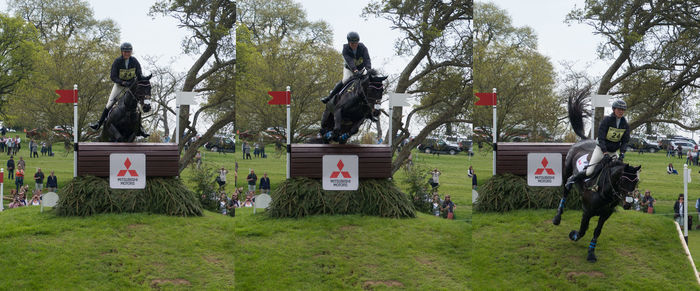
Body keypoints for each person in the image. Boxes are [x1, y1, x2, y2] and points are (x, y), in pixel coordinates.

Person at [565, 100, 630, 190]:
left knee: (619, 172)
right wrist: (605, 153)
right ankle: (572, 178)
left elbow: (625, 141)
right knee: (589, 172)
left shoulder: (625, 124)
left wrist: (622, 153)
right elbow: (601, 138)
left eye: (623, 110)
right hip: (601, 150)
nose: (621, 112)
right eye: (619, 109)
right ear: (614, 109)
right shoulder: (606, 120)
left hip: (613, 151)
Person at [89, 42, 150, 138]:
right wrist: (123, 82)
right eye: (125, 51)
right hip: (119, 85)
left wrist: (143, 77)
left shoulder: (134, 61)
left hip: (131, 86)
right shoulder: (117, 61)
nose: (127, 53)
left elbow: (139, 73)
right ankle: (99, 124)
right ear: (122, 52)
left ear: (131, 52)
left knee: (138, 106)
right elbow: (113, 76)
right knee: (109, 104)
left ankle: (141, 128)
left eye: (129, 51)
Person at [321, 31, 372, 105]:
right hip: (349, 69)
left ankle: (374, 103)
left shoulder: (363, 47)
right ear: (348, 42)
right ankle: (329, 97)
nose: (354, 45)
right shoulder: (345, 49)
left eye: (356, 43)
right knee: (345, 80)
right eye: (352, 43)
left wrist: (368, 70)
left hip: (361, 69)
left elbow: (367, 59)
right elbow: (350, 62)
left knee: (369, 80)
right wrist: (355, 71)